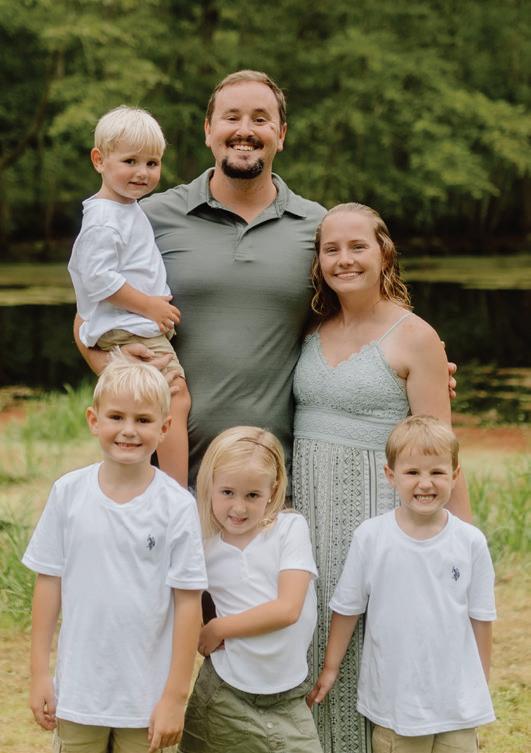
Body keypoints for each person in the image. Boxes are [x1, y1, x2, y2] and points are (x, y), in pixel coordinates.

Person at [73, 71, 457, 487]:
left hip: (277, 482)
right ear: (208, 130)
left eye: (260, 119)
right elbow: (87, 317)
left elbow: (356, 321)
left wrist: (416, 368)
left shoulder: (318, 228)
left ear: (281, 134)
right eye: (231, 117)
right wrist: (114, 366)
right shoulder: (149, 215)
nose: (245, 130)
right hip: (163, 478)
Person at [291, 202, 472, 753]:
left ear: (384, 253)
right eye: (331, 249)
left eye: (358, 246)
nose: (344, 259)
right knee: (316, 645)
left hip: (382, 524)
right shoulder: (310, 328)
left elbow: (441, 446)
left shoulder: (415, 336)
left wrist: (461, 548)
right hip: (311, 522)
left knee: (382, 650)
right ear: (319, 261)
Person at [23, 355, 207, 753]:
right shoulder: (68, 493)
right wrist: (39, 674)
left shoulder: (177, 506)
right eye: (116, 417)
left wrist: (175, 697)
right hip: (79, 694)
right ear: (94, 420)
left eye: (143, 420)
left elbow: (188, 603)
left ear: (165, 427)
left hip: (146, 700)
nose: (128, 430)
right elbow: (48, 583)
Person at [309, 415, 496, 753]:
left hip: (457, 705)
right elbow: (348, 608)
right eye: (412, 472)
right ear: (390, 475)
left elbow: (481, 618)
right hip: (397, 705)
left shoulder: (471, 542)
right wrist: (331, 667)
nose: (425, 483)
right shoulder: (371, 537)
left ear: (455, 475)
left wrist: (480, 684)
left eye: (437, 472)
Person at [179, 426, 323, 753]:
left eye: (252, 495)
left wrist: (219, 628)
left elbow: (288, 609)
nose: (239, 508)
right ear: (209, 485)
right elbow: (179, 596)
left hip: (286, 697)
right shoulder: (205, 545)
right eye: (227, 492)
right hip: (225, 691)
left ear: (273, 489)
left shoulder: (289, 529)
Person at [68, 105, 190, 485]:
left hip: (132, 324)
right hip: (130, 325)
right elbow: (97, 279)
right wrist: (150, 306)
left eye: (152, 163)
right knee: (174, 397)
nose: (142, 172)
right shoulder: (104, 219)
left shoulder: (125, 208)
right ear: (99, 160)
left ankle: (142, 482)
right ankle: (174, 490)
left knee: (146, 403)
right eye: (130, 161)